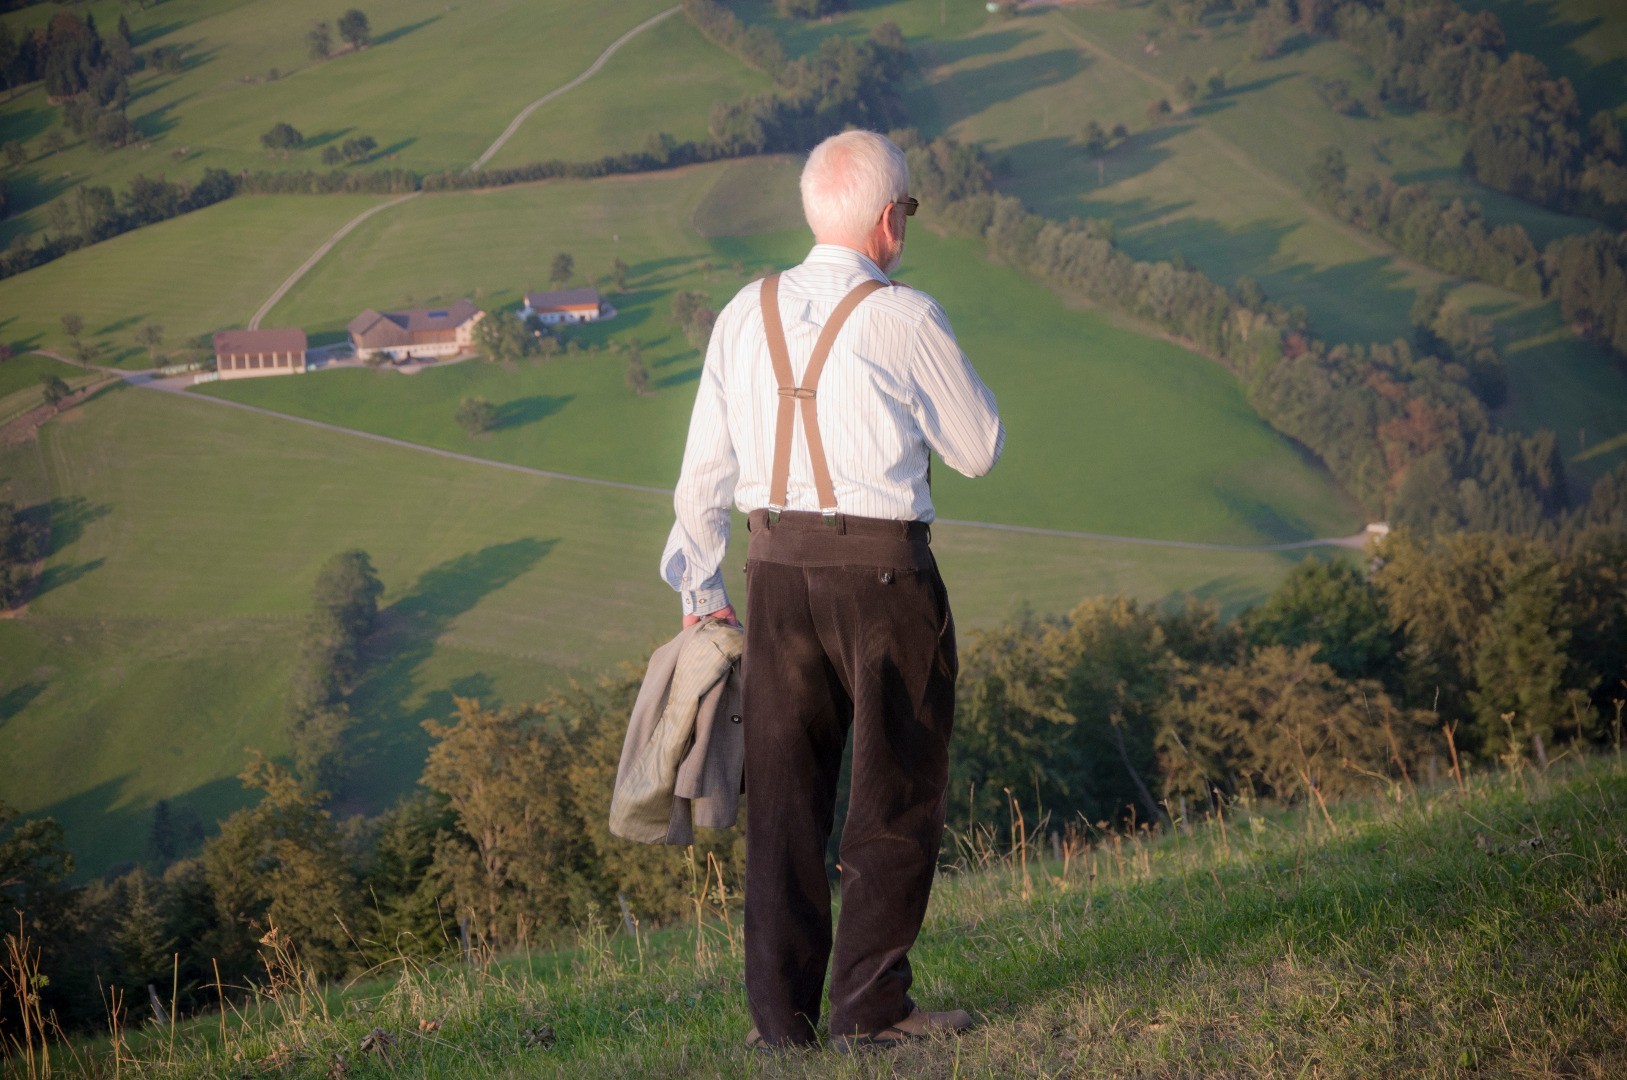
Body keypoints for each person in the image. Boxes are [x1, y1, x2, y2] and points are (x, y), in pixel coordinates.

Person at [660, 129, 1004, 1051]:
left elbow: (702, 470)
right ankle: (869, 1010)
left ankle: (781, 1026)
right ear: (890, 219)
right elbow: (979, 449)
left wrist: (700, 589)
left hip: (773, 575)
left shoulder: (742, 312)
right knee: (890, 795)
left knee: (784, 803)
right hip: (886, 576)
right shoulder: (906, 317)